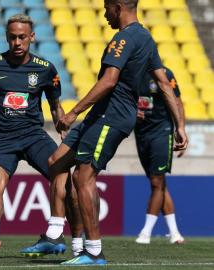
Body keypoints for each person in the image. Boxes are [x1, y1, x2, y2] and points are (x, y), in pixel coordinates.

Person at [24, 0, 188, 266]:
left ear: (117, 6)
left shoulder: (123, 38)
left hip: (110, 117)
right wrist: (180, 125)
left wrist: (73, 112)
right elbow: (164, 84)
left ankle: (93, 251)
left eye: (106, 8)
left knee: (84, 175)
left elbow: (109, 80)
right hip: (101, 115)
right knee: (56, 162)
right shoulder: (145, 37)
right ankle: (56, 235)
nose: (104, 14)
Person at [0, 14, 82, 254]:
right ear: (7, 38)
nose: (17, 43)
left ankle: (79, 244)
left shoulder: (45, 69)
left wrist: (63, 130)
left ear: (32, 37)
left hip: (33, 135)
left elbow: (54, 105)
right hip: (1, 137)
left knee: (68, 181)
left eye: (22, 37)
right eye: (12, 38)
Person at [135, 66, 185, 244]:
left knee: (157, 181)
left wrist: (181, 130)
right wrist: (133, 112)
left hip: (162, 132)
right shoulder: (131, 71)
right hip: (141, 134)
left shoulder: (165, 73)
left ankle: (145, 233)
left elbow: (177, 102)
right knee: (159, 183)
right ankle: (175, 233)